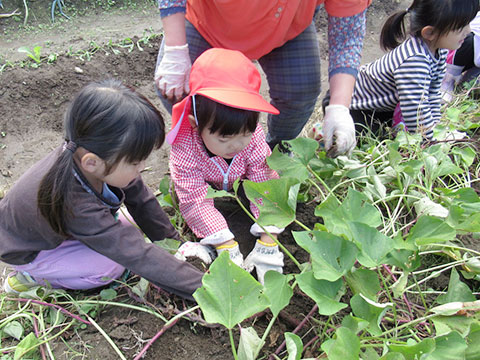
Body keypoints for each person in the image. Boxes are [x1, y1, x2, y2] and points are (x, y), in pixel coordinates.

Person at [0, 79, 204, 300]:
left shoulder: (93, 153)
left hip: (58, 229)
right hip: (28, 251)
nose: (142, 167)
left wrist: (176, 245)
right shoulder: (75, 203)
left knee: (131, 229)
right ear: (91, 162)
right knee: (110, 268)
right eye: (136, 162)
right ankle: (28, 279)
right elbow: (136, 256)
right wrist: (205, 290)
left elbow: (141, 201)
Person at [154, 0, 371, 157]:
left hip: (286, 30)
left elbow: (347, 35)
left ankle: (269, 153)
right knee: (176, 91)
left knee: (301, 92)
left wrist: (339, 108)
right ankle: (205, 152)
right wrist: (175, 48)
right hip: (208, 22)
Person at [168, 48, 284, 284]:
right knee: (186, 197)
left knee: (257, 182)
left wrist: (269, 237)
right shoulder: (185, 146)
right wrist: (225, 243)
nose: (236, 145)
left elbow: (264, 181)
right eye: (224, 138)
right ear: (195, 124)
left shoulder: (254, 139)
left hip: (239, 183)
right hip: (203, 187)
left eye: (246, 133)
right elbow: (195, 198)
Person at [312, 0, 479, 142]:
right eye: (460, 28)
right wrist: (431, 141)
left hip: (382, 106)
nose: (469, 31)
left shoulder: (439, 51)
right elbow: (416, 111)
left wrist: (437, 129)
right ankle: (326, 131)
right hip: (353, 107)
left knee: (399, 131)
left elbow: (432, 95)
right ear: (430, 32)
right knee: (378, 139)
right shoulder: (414, 61)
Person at [441, 11, 480, 102]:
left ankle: (464, 87)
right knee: (444, 97)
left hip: (474, 59)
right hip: (459, 46)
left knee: (470, 85)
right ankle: (446, 82)